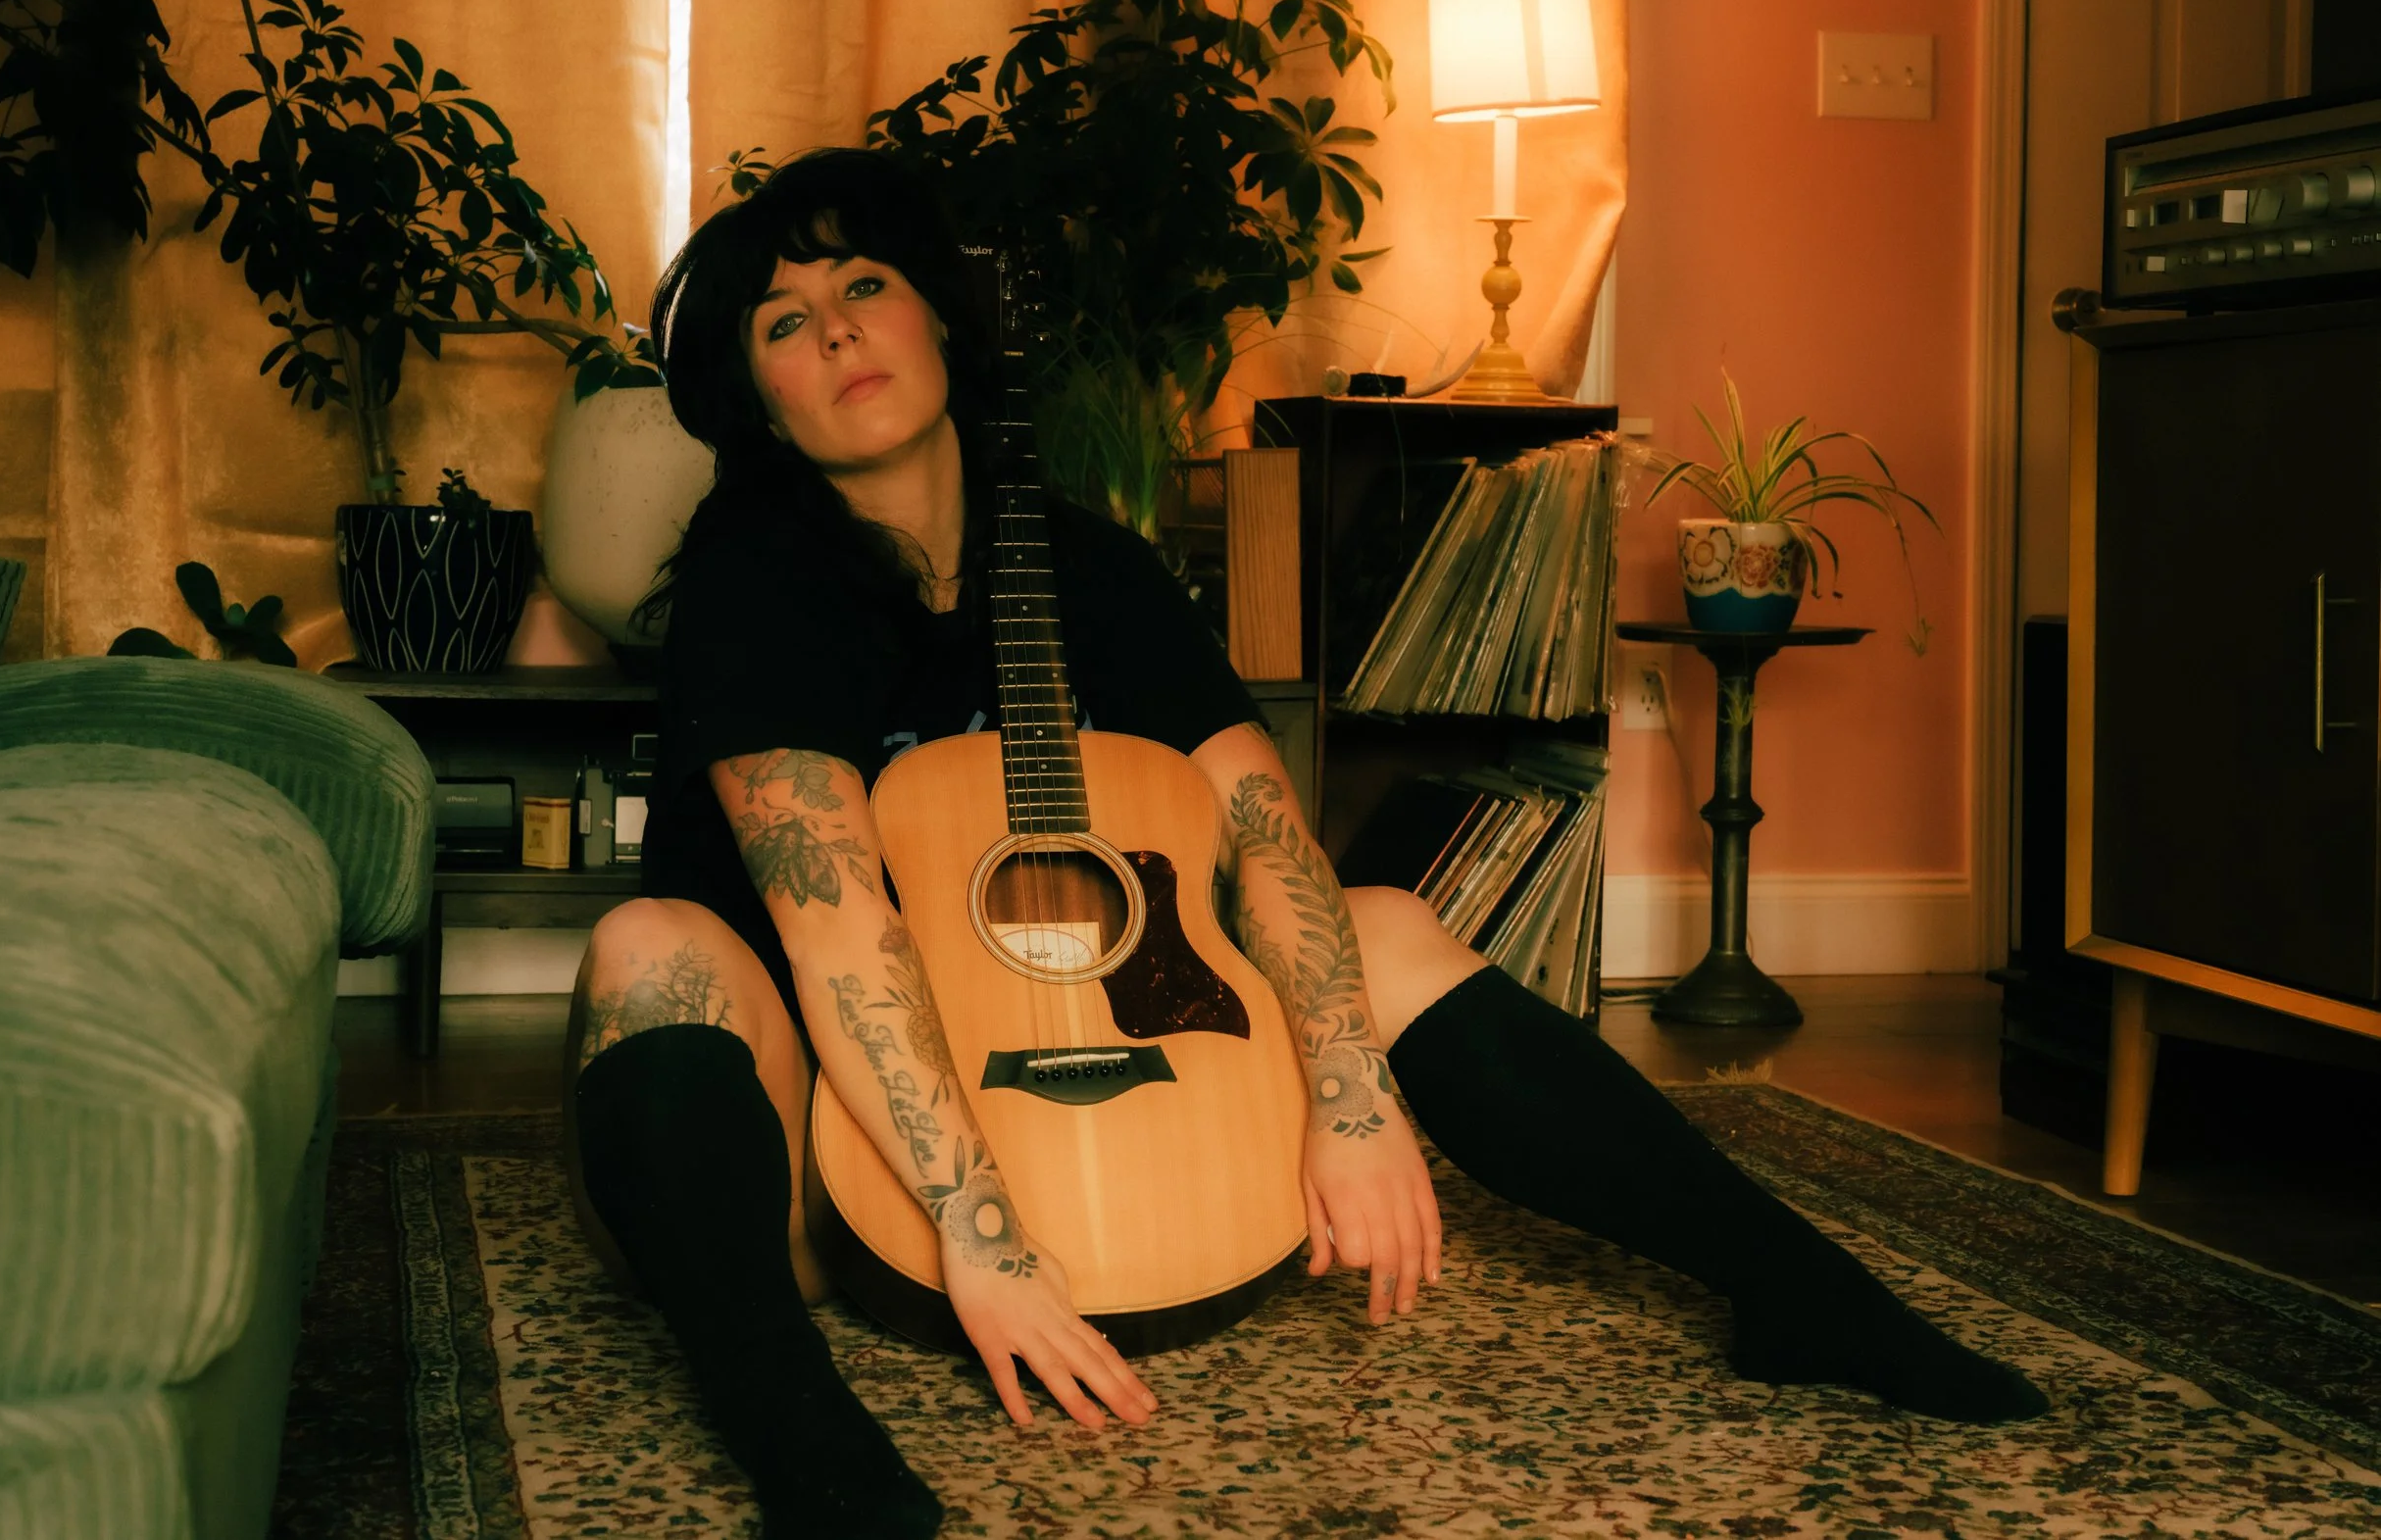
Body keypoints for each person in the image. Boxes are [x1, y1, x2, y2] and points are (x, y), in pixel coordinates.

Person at [563, 146, 2048, 1540]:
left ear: (942, 316)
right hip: (820, 1131)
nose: (837, 334)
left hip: (1093, 1045)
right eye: (784, 322)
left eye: (863, 285)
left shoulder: (1089, 564)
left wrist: (1346, 1092)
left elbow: (1267, 830)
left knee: (1384, 922)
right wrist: (981, 1230)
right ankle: (800, 1438)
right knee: (650, 952)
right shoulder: (760, 581)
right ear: (757, 401)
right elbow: (830, 926)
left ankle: (1793, 1285)